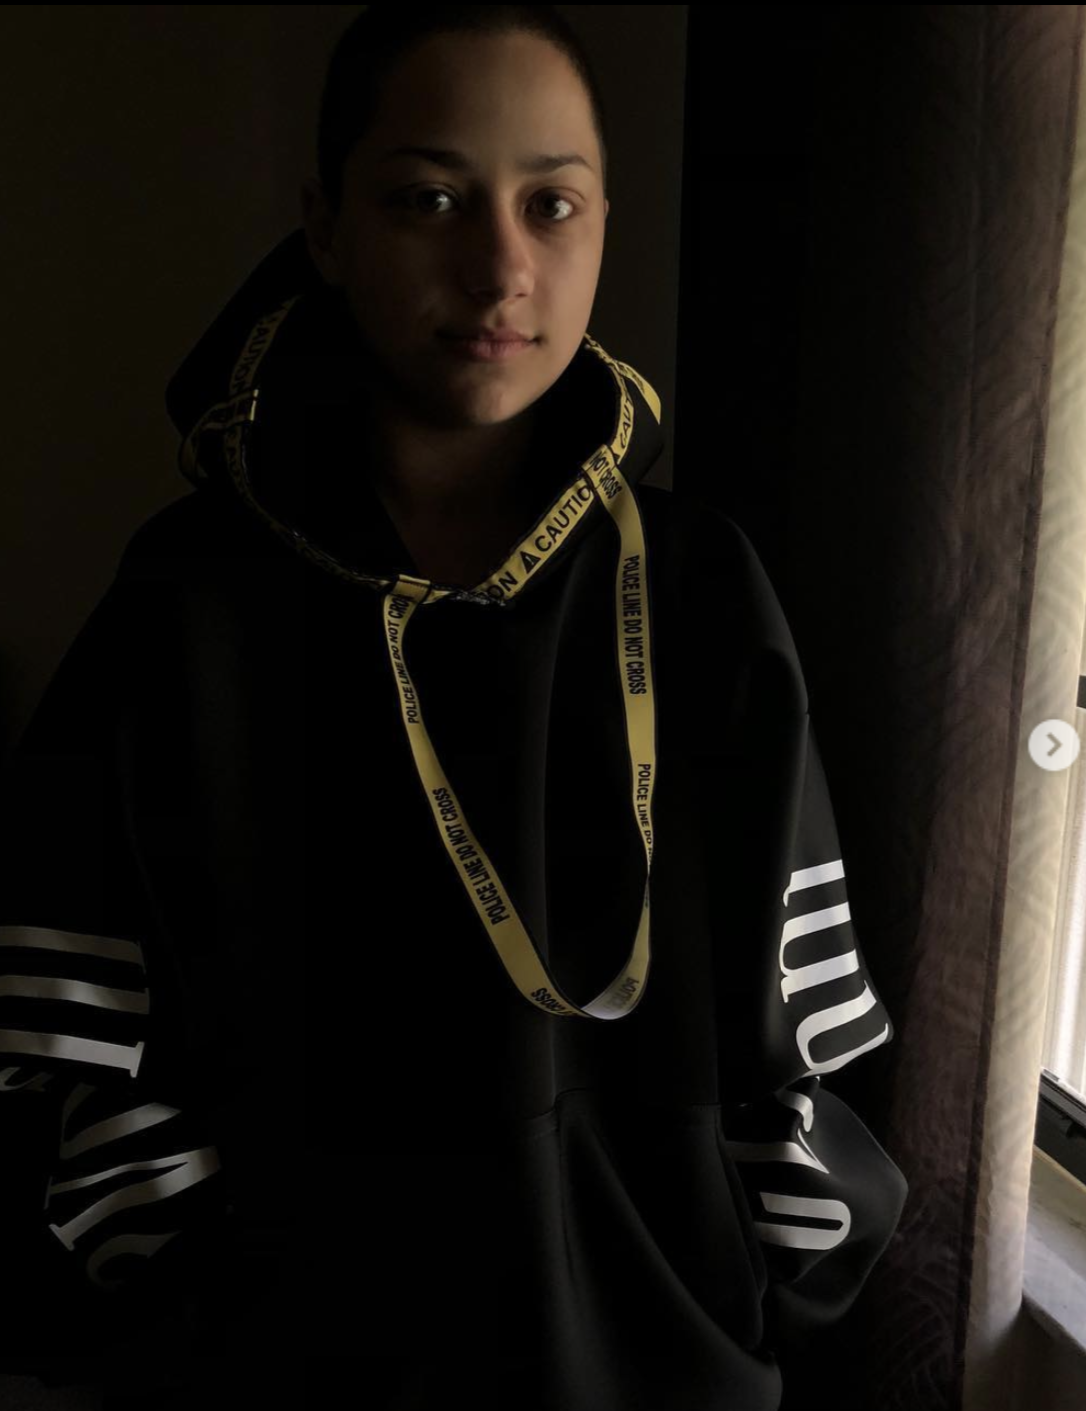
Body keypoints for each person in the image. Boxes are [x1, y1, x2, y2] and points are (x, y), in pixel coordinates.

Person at [0, 6, 908, 1409]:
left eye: (552, 203)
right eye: (428, 199)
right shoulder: (192, 596)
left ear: (604, 224)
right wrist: (201, 1288)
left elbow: (794, 1028)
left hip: (652, 1360)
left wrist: (735, 1280)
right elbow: (71, 1027)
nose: (500, 268)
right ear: (325, 225)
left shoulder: (698, 583)